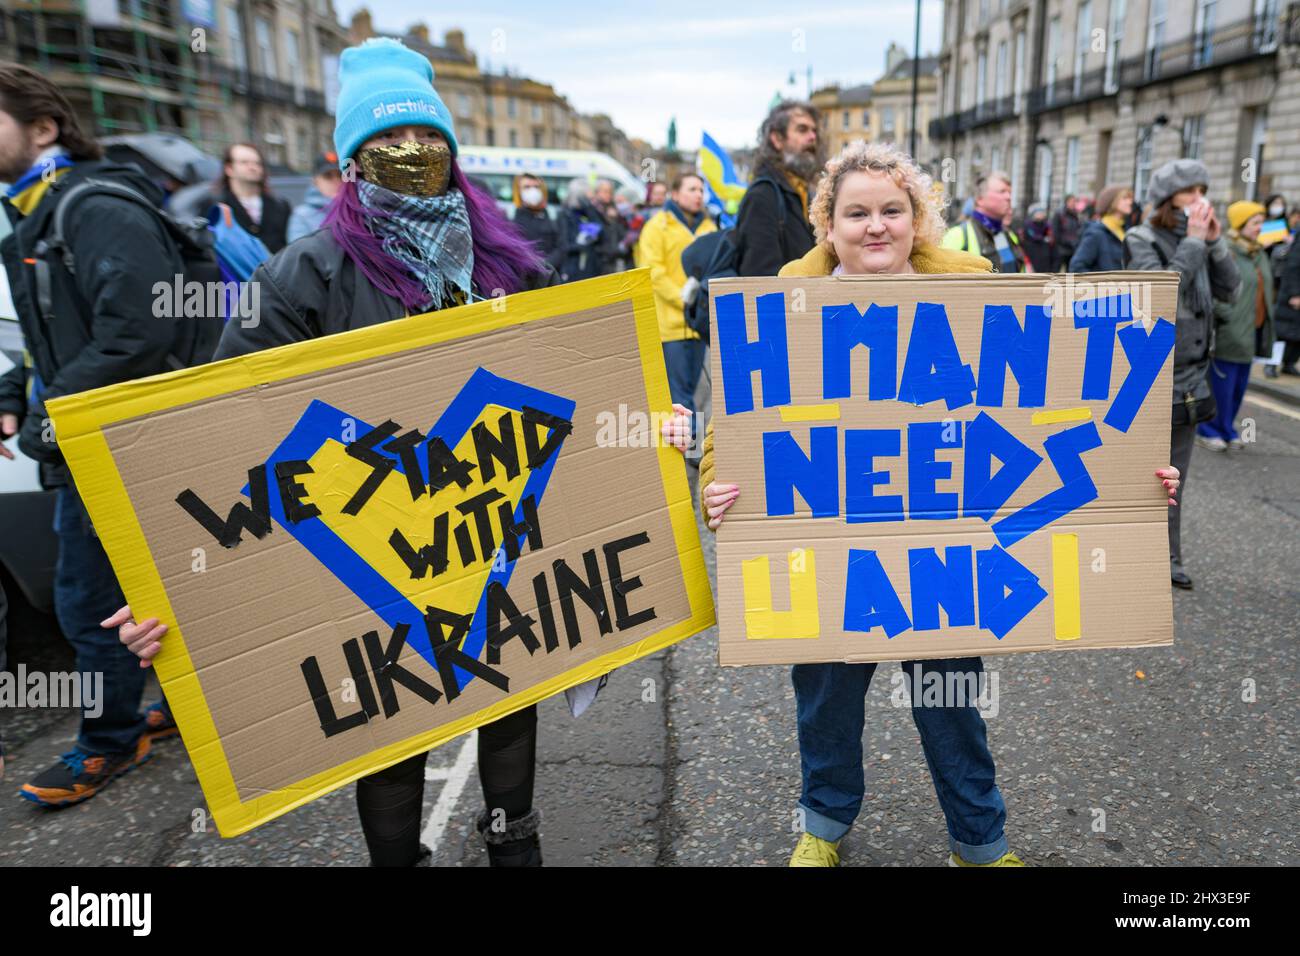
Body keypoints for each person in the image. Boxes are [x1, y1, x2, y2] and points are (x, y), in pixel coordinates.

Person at [109, 37, 574, 867]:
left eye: (430, 139)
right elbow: (219, 433)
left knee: (509, 685)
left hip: (485, 526)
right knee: (389, 720)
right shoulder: (302, 276)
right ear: (352, 161)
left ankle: (515, 837)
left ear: (452, 153)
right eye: (388, 142)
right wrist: (169, 582)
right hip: (368, 538)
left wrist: (650, 434)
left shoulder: (507, 269)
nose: (412, 153)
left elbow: (568, 387)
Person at [661, 140, 1181, 867]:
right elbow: (736, 431)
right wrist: (720, 489)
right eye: (857, 213)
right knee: (826, 704)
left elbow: (1063, 410)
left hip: (947, 555)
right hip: (834, 554)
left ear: (918, 219)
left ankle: (980, 840)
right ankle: (823, 823)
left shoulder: (980, 301)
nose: (876, 226)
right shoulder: (782, 310)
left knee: (951, 707)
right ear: (828, 227)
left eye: (892, 211)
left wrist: (1134, 482)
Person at [0, 61, 191, 806]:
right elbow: (42, 338)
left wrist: (51, 417)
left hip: (125, 443)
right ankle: (173, 710)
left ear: (43, 128)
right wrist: (15, 391)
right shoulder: (33, 211)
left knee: (86, 602)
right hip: (94, 441)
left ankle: (108, 742)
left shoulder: (92, 207)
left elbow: (140, 329)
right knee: (146, 593)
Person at [1124, 159, 1240, 591]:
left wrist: (1215, 244)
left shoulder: (1200, 239)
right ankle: (1123, 548)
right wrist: (1193, 242)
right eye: (1190, 191)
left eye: (1202, 190)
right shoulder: (1141, 237)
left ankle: (1167, 557)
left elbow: (1232, 290)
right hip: (1147, 374)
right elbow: (1156, 298)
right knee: (1138, 472)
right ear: (1168, 198)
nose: (1199, 199)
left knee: (1175, 475)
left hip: (1190, 377)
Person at [1195, 201, 1274, 452]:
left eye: (1261, 222)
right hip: (1228, 331)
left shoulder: (1258, 252)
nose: (1260, 228)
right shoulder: (1226, 250)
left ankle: (1227, 428)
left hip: (1252, 331)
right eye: (1255, 223)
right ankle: (1208, 429)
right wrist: (1225, 313)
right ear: (1240, 225)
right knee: (1221, 388)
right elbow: (1209, 288)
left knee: (1238, 388)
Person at [637, 172, 716, 417]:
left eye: (701, 190)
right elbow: (652, 271)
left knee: (690, 390)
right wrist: (682, 296)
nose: (698, 195)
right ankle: (687, 451)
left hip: (699, 324)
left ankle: (686, 447)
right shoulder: (657, 226)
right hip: (670, 323)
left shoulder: (709, 226)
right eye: (692, 189)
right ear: (675, 194)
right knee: (679, 395)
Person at [733, 100, 820, 277]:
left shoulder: (805, 192)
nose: (812, 137)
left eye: (814, 131)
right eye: (802, 130)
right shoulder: (763, 195)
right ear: (777, 139)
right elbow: (760, 276)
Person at [941, 172, 1027, 273]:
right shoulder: (957, 236)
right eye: (1002, 191)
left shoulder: (1010, 235)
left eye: (1009, 192)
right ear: (980, 199)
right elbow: (939, 283)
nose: (1008, 197)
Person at [213, 142, 291, 253]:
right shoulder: (217, 206)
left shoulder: (280, 206)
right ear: (229, 168)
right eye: (244, 162)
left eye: (257, 163)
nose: (253, 167)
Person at [510, 172, 567, 274]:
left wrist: (545, 265)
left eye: (536, 187)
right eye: (527, 187)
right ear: (518, 191)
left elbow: (562, 246)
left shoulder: (553, 214)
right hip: (524, 276)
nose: (533, 191)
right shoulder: (510, 216)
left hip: (551, 275)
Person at [1069, 185, 1133, 273]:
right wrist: (1102, 284)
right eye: (1125, 198)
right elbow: (1076, 268)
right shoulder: (1096, 233)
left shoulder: (1126, 231)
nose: (1130, 202)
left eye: (1130, 198)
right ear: (1112, 201)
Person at [287, 152, 342, 243]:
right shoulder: (302, 216)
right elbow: (300, 253)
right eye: (328, 176)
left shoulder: (355, 209)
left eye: (340, 175)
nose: (336, 180)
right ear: (315, 181)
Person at [1050, 193, 1083, 271]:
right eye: (1072, 201)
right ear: (1066, 202)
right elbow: (1056, 232)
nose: (1074, 203)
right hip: (1061, 249)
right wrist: (1066, 242)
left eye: (1075, 201)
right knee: (1056, 270)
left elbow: (1079, 230)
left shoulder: (1077, 215)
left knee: (1070, 271)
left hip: (1072, 248)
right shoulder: (1059, 214)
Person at [1021, 204, 1053, 273]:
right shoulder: (1027, 225)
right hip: (1031, 256)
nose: (1041, 214)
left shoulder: (1046, 225)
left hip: (1044, 259)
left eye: (1042, 212)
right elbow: (1031, 237)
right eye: (1038, 212)